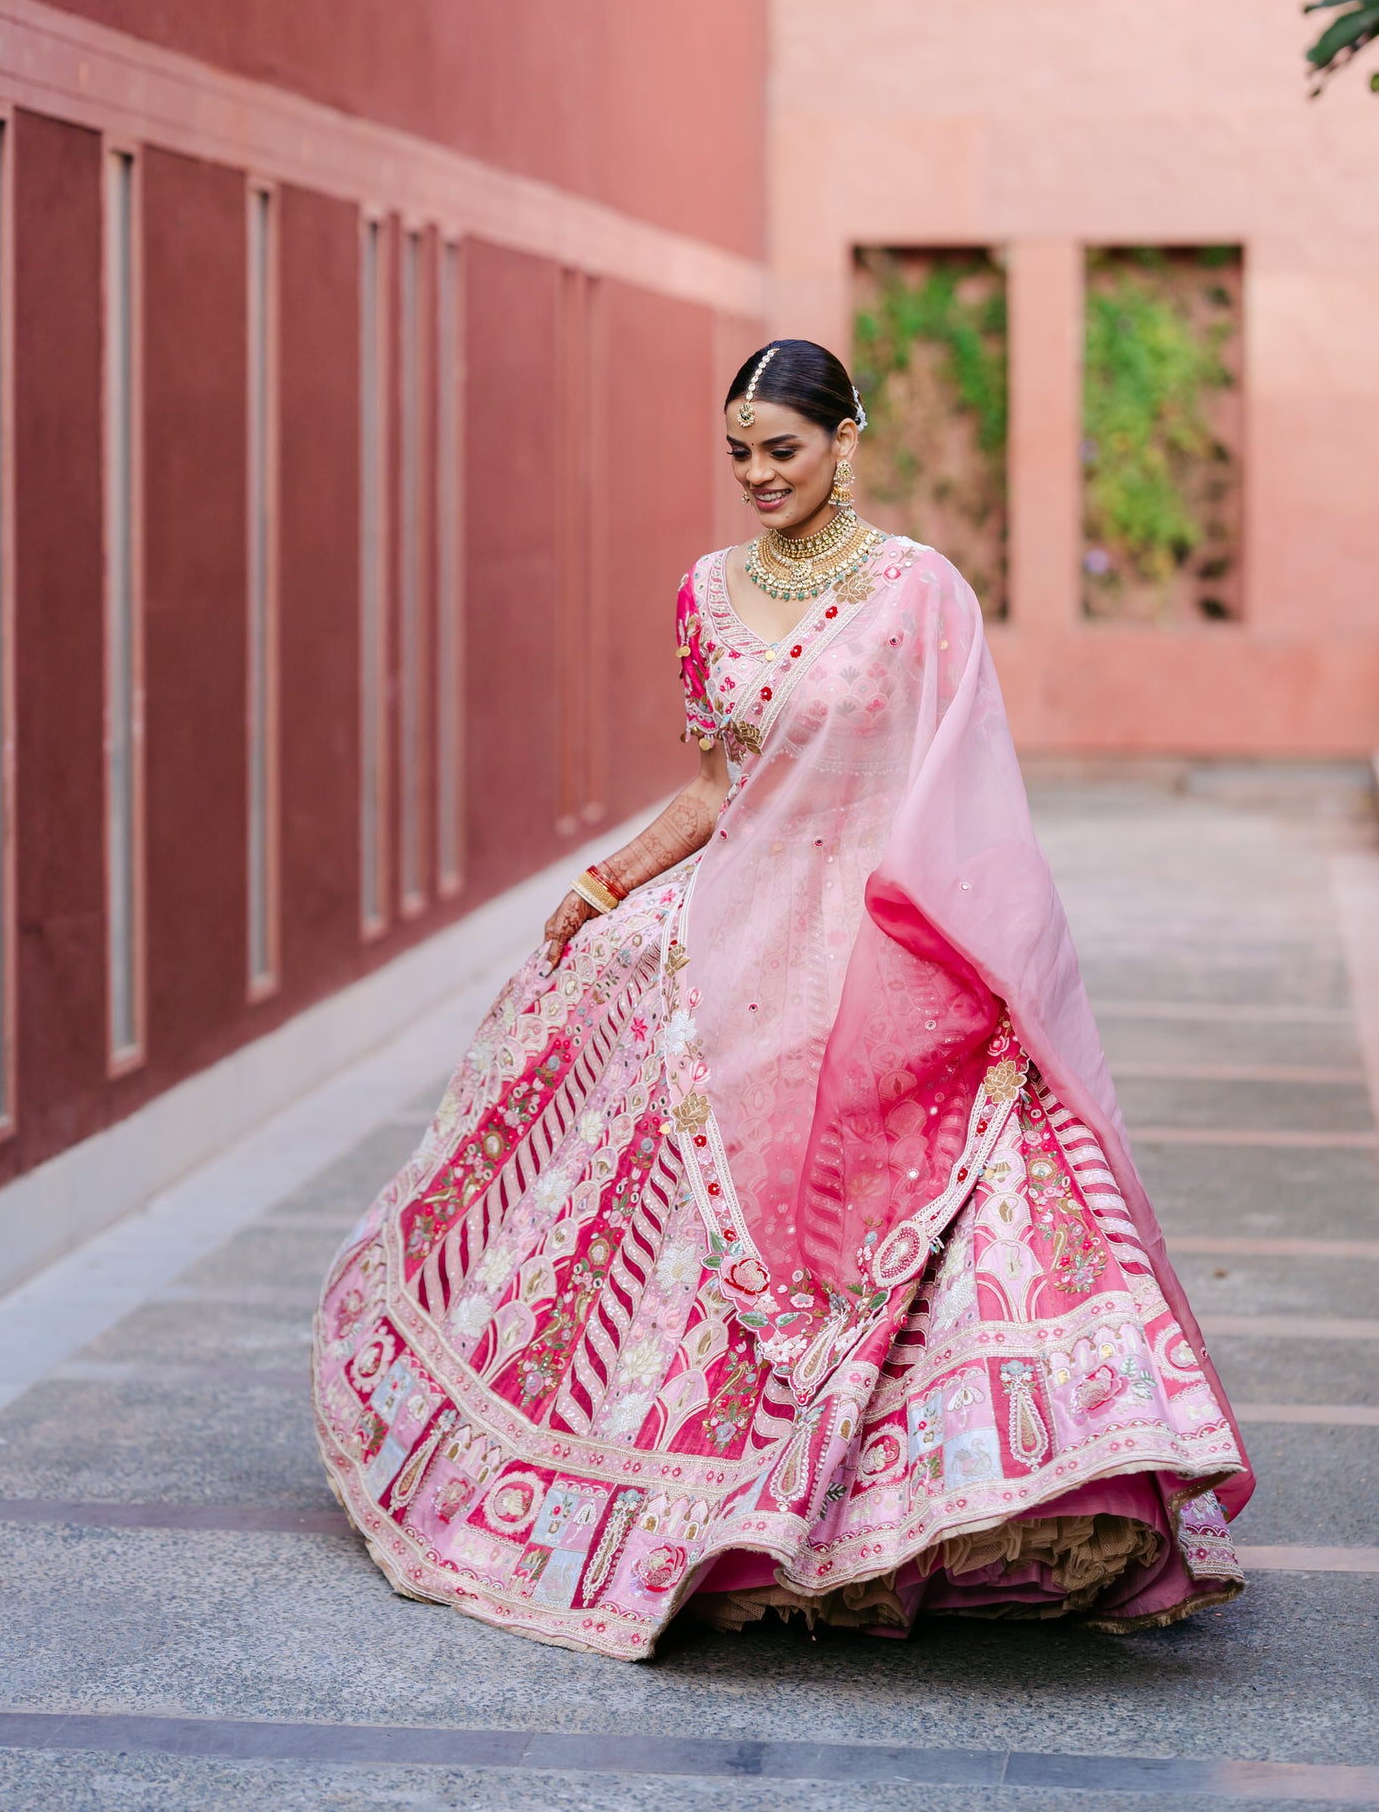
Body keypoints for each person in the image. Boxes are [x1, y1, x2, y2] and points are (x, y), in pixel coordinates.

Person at [312, 338, 1251, 1659]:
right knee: (637, 1192)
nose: (757, 475)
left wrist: (961, 949)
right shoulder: (706, 592)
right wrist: (605, 883)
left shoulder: (917, 592)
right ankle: (725, 1519)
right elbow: (713, 789)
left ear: (845, 435)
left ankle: (978, 1511)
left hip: (883, 951)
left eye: (782, 449)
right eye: (738, 453)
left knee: (952, 1224)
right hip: (733, 944)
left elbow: (956, 787)